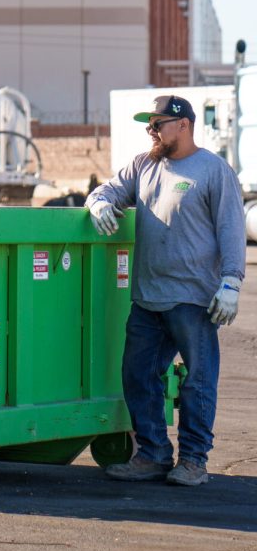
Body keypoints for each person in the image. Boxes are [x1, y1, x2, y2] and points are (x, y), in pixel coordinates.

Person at [86, 93, 245, 487]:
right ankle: (154, 454)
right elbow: (107, 191)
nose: (151, 131)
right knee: (138, 374)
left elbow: (231, 229)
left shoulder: (212, 170)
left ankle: (193, 461)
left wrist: (231, 282)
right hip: (147, 297)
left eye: (158, 124)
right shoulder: (144, 165)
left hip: (193, 299)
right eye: (150, 125)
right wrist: (99, 205)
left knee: (198, 381)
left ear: (183, 125)